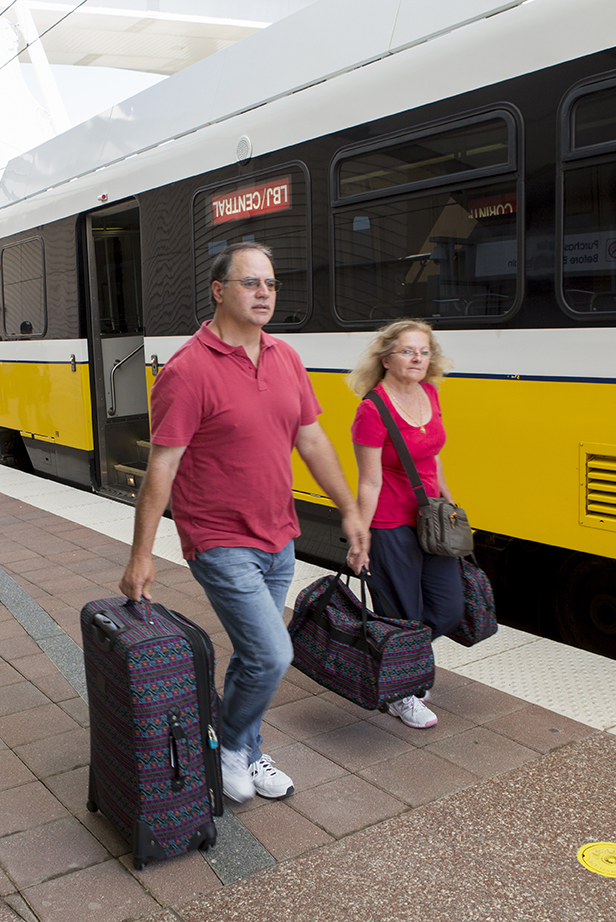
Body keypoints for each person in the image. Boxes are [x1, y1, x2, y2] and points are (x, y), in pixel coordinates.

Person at [119, 241, 368, 804]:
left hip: (279, 536)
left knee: (255, 653)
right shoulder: (187, 370)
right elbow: (162, 464)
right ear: (218, 290)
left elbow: (311, 438)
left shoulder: (284, 357)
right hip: (219, 538)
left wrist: (350, 509)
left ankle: (243, 749)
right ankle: (232, 747)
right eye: (251, 283)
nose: (264, 294)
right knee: (273, 653)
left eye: (271, 285)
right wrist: (142, 554)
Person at [346, 319, 463, 731]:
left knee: (448, 608)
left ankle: (397, 661)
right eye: (408, 351)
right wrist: (360, 537)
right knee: (403, 614)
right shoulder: (371, 410)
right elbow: (369, 480)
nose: (418, 358)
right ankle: (402, 693)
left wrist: (447, 498)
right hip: (390, 523)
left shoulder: (429, 393)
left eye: (424, 351)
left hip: (429, 518)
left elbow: (432, 455)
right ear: (386, 358)